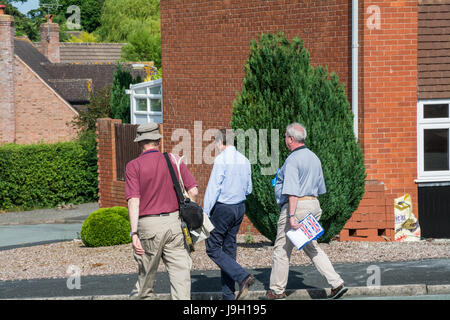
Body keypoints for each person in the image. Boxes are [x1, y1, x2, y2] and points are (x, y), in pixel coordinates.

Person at [263, 122, 348, 300]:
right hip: (313, 205)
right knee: (311, 246)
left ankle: (277, 292)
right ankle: (336, 283)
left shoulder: (293, 160)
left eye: (285, 136)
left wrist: (292, 216)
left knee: (282, 249)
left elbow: (293, 191)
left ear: (291, 139)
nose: (285, 139)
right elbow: (319, 188)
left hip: (297, 207)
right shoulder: (314, 158)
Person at [125, 122, 199, 300]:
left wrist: (134, 232)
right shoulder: (174, 160)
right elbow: (194, 190)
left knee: (145, 281)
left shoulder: (133, 166)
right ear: (158, 140)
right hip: (175, 224)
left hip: (149, 226)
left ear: (139, 143)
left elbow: (134, 200)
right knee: (181, 278)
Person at [203, 129, 254, 300]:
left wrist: (205, 212)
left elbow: (213, 189)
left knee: (212, 248)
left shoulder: (221, 160)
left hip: (223, 208)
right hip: (239, 208)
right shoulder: (245, 160)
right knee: (229, 250)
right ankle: (228, 295)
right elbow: (249, 188)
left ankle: (242, 276)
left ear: (219, 142)